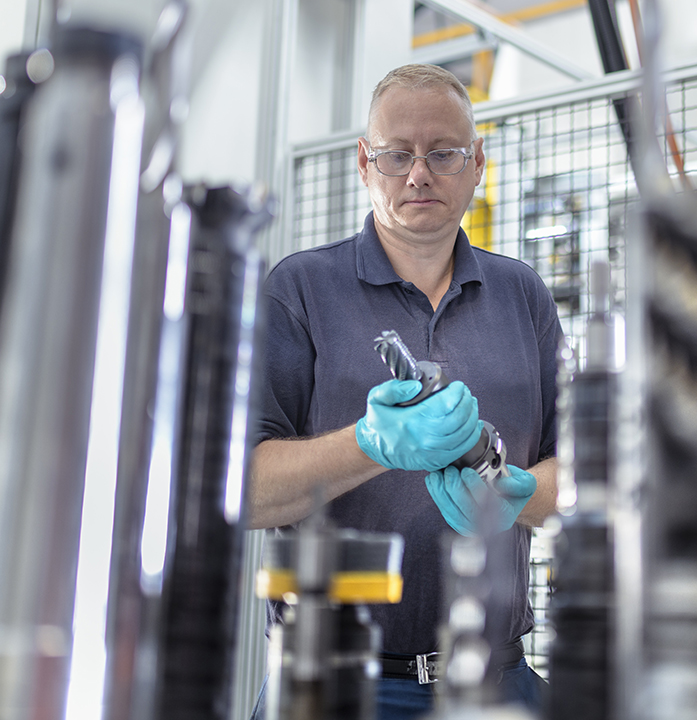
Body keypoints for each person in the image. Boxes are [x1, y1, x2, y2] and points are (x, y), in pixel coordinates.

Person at [250, 63, 562, 720]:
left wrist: (523, 494)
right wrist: (371, 445)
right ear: (365, 164)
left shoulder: (522, 294)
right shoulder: (300, 290)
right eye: (397, 155)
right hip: (334, 684)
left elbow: (585, 475)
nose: (418, 174)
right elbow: (240, 492)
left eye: (443, 153)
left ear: (477, 163)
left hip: (498, 680)